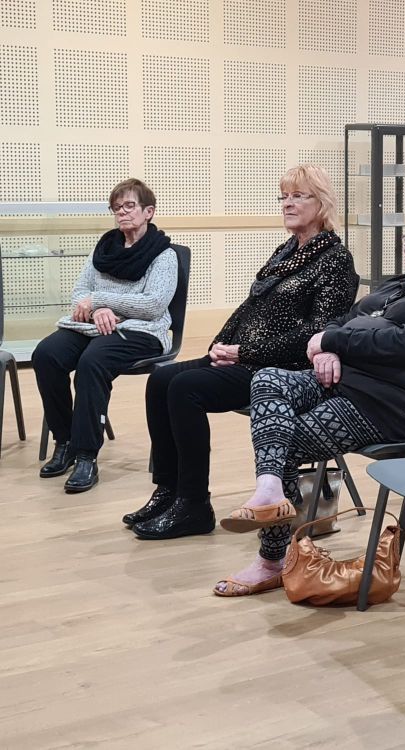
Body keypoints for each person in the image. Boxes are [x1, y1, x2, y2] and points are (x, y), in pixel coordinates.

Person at [213, 204, 405, 596]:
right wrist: (327, 349)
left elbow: (404, 345)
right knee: (268, 378)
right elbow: (343, 319)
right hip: (346, 382)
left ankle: (271, 560)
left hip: (387, 408)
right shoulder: (401, 286)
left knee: (283, 442)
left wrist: (334, 342)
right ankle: (271, 491)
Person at [125, 165, 359, 540]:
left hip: (285, 370)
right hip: (246, 356)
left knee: (186, 388)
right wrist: (218, 345)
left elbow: (317, 332)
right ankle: (168, 491)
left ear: (323, 203)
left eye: (298, 196)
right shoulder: (286, 251)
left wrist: (243, 351)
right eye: (284, 196)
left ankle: (193, 504)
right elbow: (250, 308)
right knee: (161, 378)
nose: (287, 204)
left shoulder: (335, 260)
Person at [33, 178, 178, 493]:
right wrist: (95, 310)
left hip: (142, 330)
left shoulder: (163, 255)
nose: (122, 213)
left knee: (92, 361)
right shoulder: (105, 247)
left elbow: (153, 305)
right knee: (46, 355)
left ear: (148, 211)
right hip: (92, 326)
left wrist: (102, 302)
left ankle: (87, 455)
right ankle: (66, 440)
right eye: (117, 207)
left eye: (129, 206)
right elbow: (80, 292)